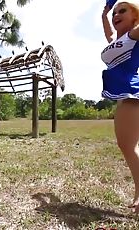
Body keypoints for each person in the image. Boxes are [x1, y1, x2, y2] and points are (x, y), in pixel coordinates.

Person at [101, 1, 139, 213]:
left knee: (128, 147)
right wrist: (105, 14)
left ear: (135, 16)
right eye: (116, 12)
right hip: (123, 96)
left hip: (133, 94)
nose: (117, 15)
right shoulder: (118, 41)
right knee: (127, 146)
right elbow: (108, 34)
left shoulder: (134, 35)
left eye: (122, 10)